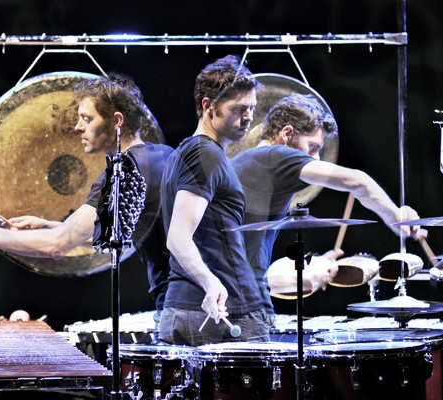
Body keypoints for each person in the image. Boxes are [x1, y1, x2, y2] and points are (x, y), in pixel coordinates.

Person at [0, 73, 174, 321]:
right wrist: (55, 227)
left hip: (181, 307)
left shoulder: (122, 171)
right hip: (199, 301)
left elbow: (58, 245)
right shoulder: (164, 156)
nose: (77, 127)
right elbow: (115, 240)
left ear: (116, 121)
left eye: (87, 118)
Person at [231, 93, 426, 309]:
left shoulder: (246, 162)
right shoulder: (275, 156)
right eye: (313, 147)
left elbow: (254, 269)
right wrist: (396, 218)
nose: (315, 158)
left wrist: (313, 267)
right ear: (287, 134)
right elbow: (359, 182)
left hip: (227, 300)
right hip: (243, 307)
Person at [159, 55, 270, 347]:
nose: (248, 118)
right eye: (239, 109)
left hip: (189, 310)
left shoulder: (185, 152)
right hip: (221, 313)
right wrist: (211, 284)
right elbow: (178, 238)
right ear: (209, 106)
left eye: (252, 109)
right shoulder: (204, 154)